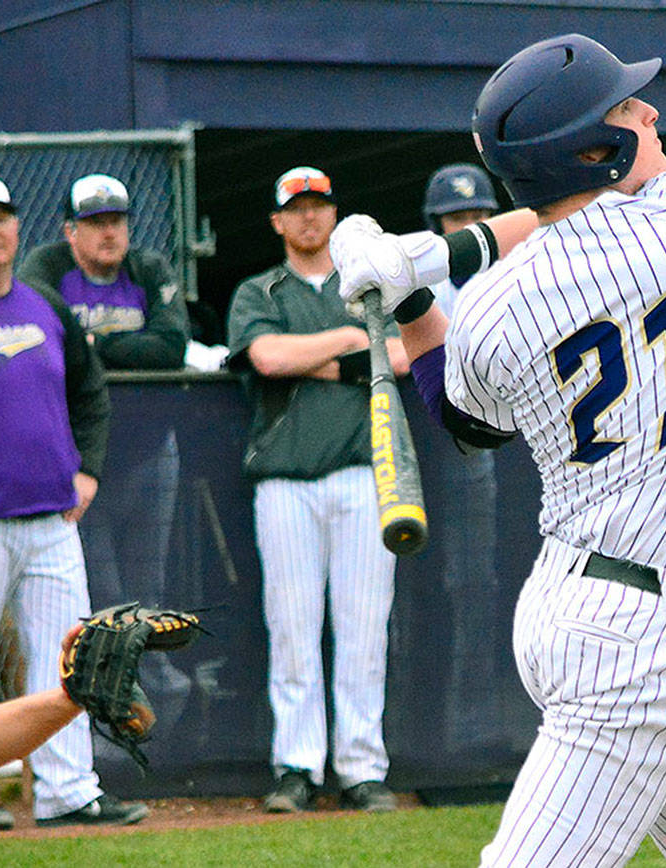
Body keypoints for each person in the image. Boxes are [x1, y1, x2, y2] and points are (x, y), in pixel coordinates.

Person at [329, 33, 666, 866]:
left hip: (590, 607)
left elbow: (465, 421)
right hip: (640, 644)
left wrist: (413, 290)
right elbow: (578, 212)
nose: (650, 112)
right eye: (627, 107)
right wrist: (433, 256)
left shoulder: (490, 312)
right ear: (597, 146)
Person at [224, 166, 410, 814]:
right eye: (296, 207)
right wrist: (351, 345)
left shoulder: (364, 282)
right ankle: (296, 767)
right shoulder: (258, 288)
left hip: (365, 473)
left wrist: (323, 356)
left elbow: (405, 357)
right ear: (277, 220)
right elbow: (267, 358)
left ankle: (361, 768)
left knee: (362, 627)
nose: (309, 216)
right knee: (293, 627)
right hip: (284, 478)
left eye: (320, 205)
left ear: (335, 213)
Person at [0, 173, 147, 830]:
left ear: (19, 229)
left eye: (0, 217)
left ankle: (68, 790)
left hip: (52, 518)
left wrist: (89, 470)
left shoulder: (43, 303)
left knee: (65, 658)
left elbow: (91, 394)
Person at [17, 173, 193, 739]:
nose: (108, 233)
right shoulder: (46, 269)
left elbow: (170, 347)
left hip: (149, 455)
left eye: (116, 221)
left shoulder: (148, 269)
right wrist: (113, 348)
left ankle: (157, 720)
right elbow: (33, 333)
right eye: (95, 223)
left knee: (149, 592)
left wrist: (87, 345)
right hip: (78, 465)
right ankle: (101, 724)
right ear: (70, 231)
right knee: (99, 597)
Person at [420, 161, 506, 758]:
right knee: (438, 589)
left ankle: (481, 726)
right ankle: (441, 731)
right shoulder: (424, 286)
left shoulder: (521, 273)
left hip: (515, 454)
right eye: (456, 217)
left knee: (484, 585)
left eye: (478, 214)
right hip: (443, 448)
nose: (469, 225)